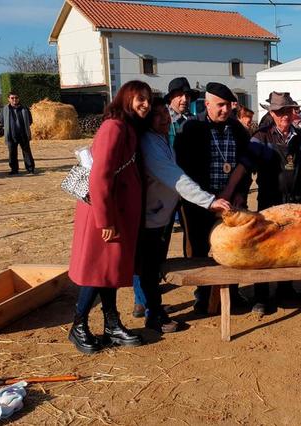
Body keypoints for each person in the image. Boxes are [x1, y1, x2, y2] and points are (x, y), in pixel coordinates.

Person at [67, 80, 151, 354]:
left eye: (148, 99)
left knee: (109, 271)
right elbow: (100, 176)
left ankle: (112, 323)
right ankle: (78, 326)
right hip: (105, 216)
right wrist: (106, 221)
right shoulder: (113, 127)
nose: (145, 104)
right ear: (126, 99)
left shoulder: (127, 127)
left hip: (117, 214)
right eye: (140, 99)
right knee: (97, 272)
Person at [138, 98, 231, 333]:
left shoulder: (161, 139)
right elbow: (176, 178)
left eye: (164, 114)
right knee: (148, 266)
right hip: (150, 216)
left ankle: (154, 310)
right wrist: (209, 201)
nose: (163, 118)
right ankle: (153, 315)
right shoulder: (149, 143)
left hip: (160, 213)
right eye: (156, 114)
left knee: (153, 264)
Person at [247, 92, 301, 316]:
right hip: (270, 203)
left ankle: (286, 288)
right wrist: (232, 192)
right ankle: (261, 296)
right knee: (265, 248)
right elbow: (245, 166)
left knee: (290, 246)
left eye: (287, 111)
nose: (284, 116)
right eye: (279, 112)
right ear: (271, 113)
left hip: (296, 202)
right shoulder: (260, 138)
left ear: (293, 111)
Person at [174, 82, 253, 314]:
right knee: (198, 248)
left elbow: (246, 165)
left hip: (232, 203)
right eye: (219, 105)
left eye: (228, 105)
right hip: (200, 202)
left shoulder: (239, 130)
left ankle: (232, 291)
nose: (225, 110)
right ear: (206, 104)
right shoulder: (190, 128)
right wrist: (206, 198)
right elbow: (184, 167)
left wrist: (240, 192)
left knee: (235, 246)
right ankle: (203, 294)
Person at [1, 92, 35, 175]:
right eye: (12, 98)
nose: (14, 100)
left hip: (23, 134)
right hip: (11, 135)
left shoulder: (25, 109)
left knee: (27, 152)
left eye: (16, 98)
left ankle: (30, 169)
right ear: (8, 99)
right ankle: (14, 170)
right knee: (12, 153)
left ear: (18, 99)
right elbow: (2, 121)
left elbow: (30, 121)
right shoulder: (4, 110)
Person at [165, 77, 201, 147]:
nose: (184, 99)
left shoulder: (194, 120)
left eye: (187, 95)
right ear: (171, 98)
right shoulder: (163, 120)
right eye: (180, 95)